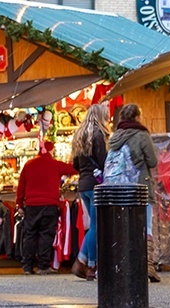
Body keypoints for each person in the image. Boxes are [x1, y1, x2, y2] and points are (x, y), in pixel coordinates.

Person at [106, 103, 161, 283]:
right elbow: (152, 161)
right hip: (139, 186)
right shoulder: (141, 135)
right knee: (145, 226)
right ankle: (148, 267)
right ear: (137, 117)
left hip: (118, 189)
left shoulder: (115, 137)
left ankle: (122, 266)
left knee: (123, 226)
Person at [16, 140, 78, 275]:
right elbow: (74, 169)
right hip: (49, 205)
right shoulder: (55, 164)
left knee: (30, 235)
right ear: (50, 150)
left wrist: (19, 203)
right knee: (46, 234)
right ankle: (43, 266)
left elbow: (21, 187)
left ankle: (27, 266)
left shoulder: (28, 164)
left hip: (32, 205)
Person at [70, 104, 110, 281]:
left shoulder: (79, 134)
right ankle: (91, 265)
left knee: (94, 225)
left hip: (83, 185)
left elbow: (75, 164)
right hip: (96, 185)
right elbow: (103, 161)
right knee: (96, 226)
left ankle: (82, 261)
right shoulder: (98, 135)